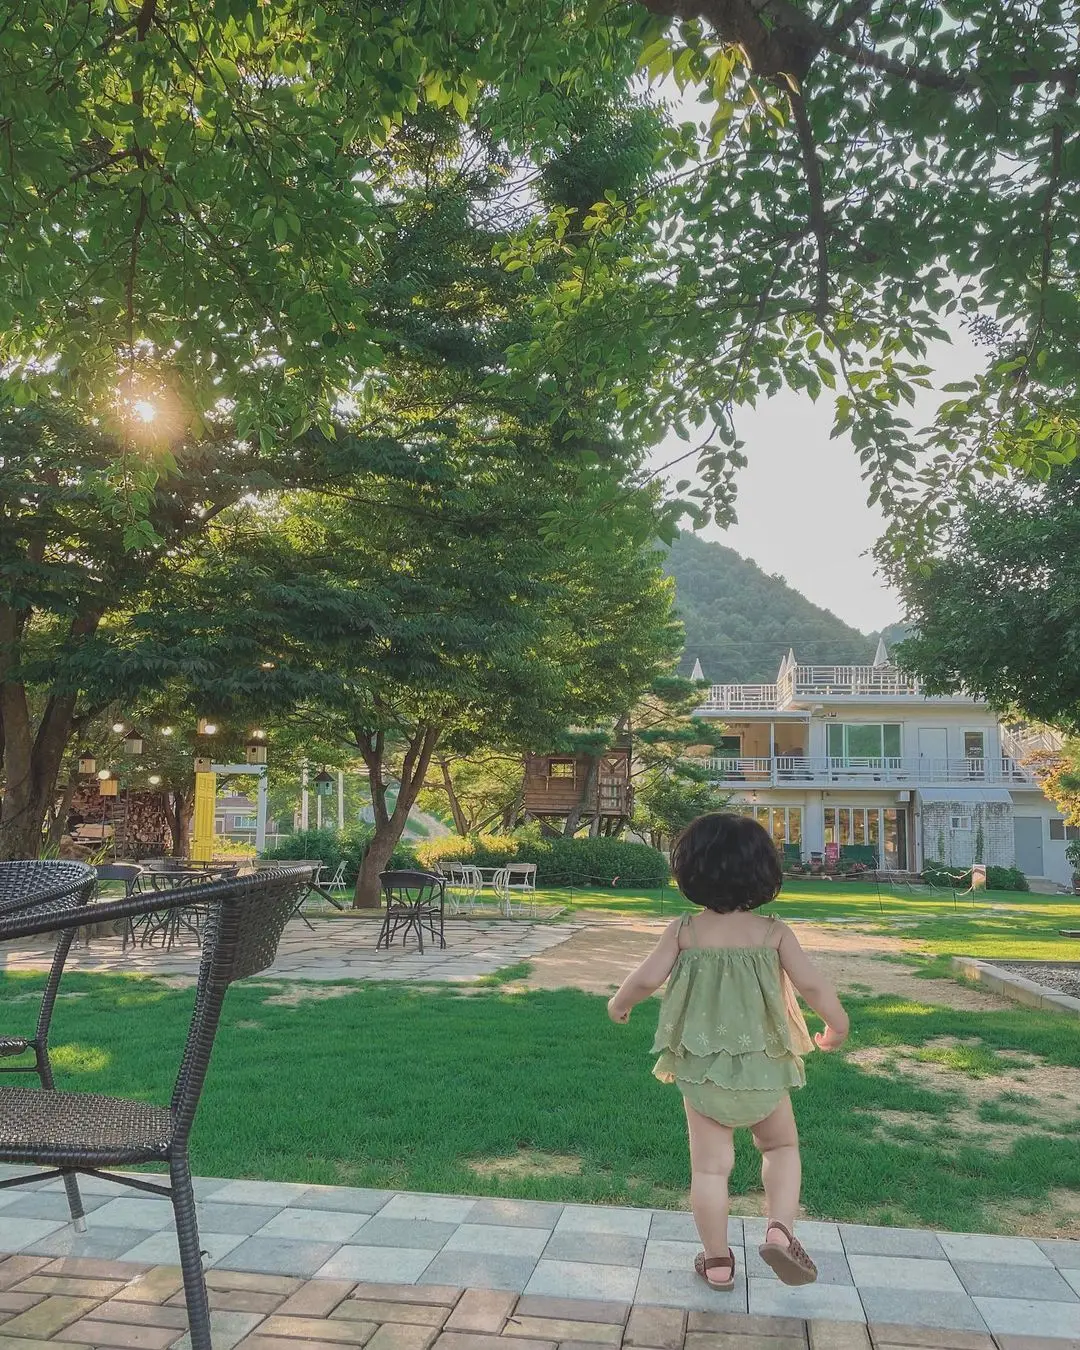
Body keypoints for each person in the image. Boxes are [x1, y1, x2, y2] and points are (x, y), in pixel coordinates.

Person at [607, 812, 849, 1292]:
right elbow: (812, 985)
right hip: (765, 1064)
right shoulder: (773, 933)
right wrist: (837, 1024)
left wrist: (620, 1003)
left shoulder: (685, 931)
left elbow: (648, 977)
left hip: (703, 1068)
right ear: (764, 872)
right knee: (780, 1147)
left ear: (690, 871)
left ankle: (718, 1262)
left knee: (710, 1168)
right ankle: (779, 1230)